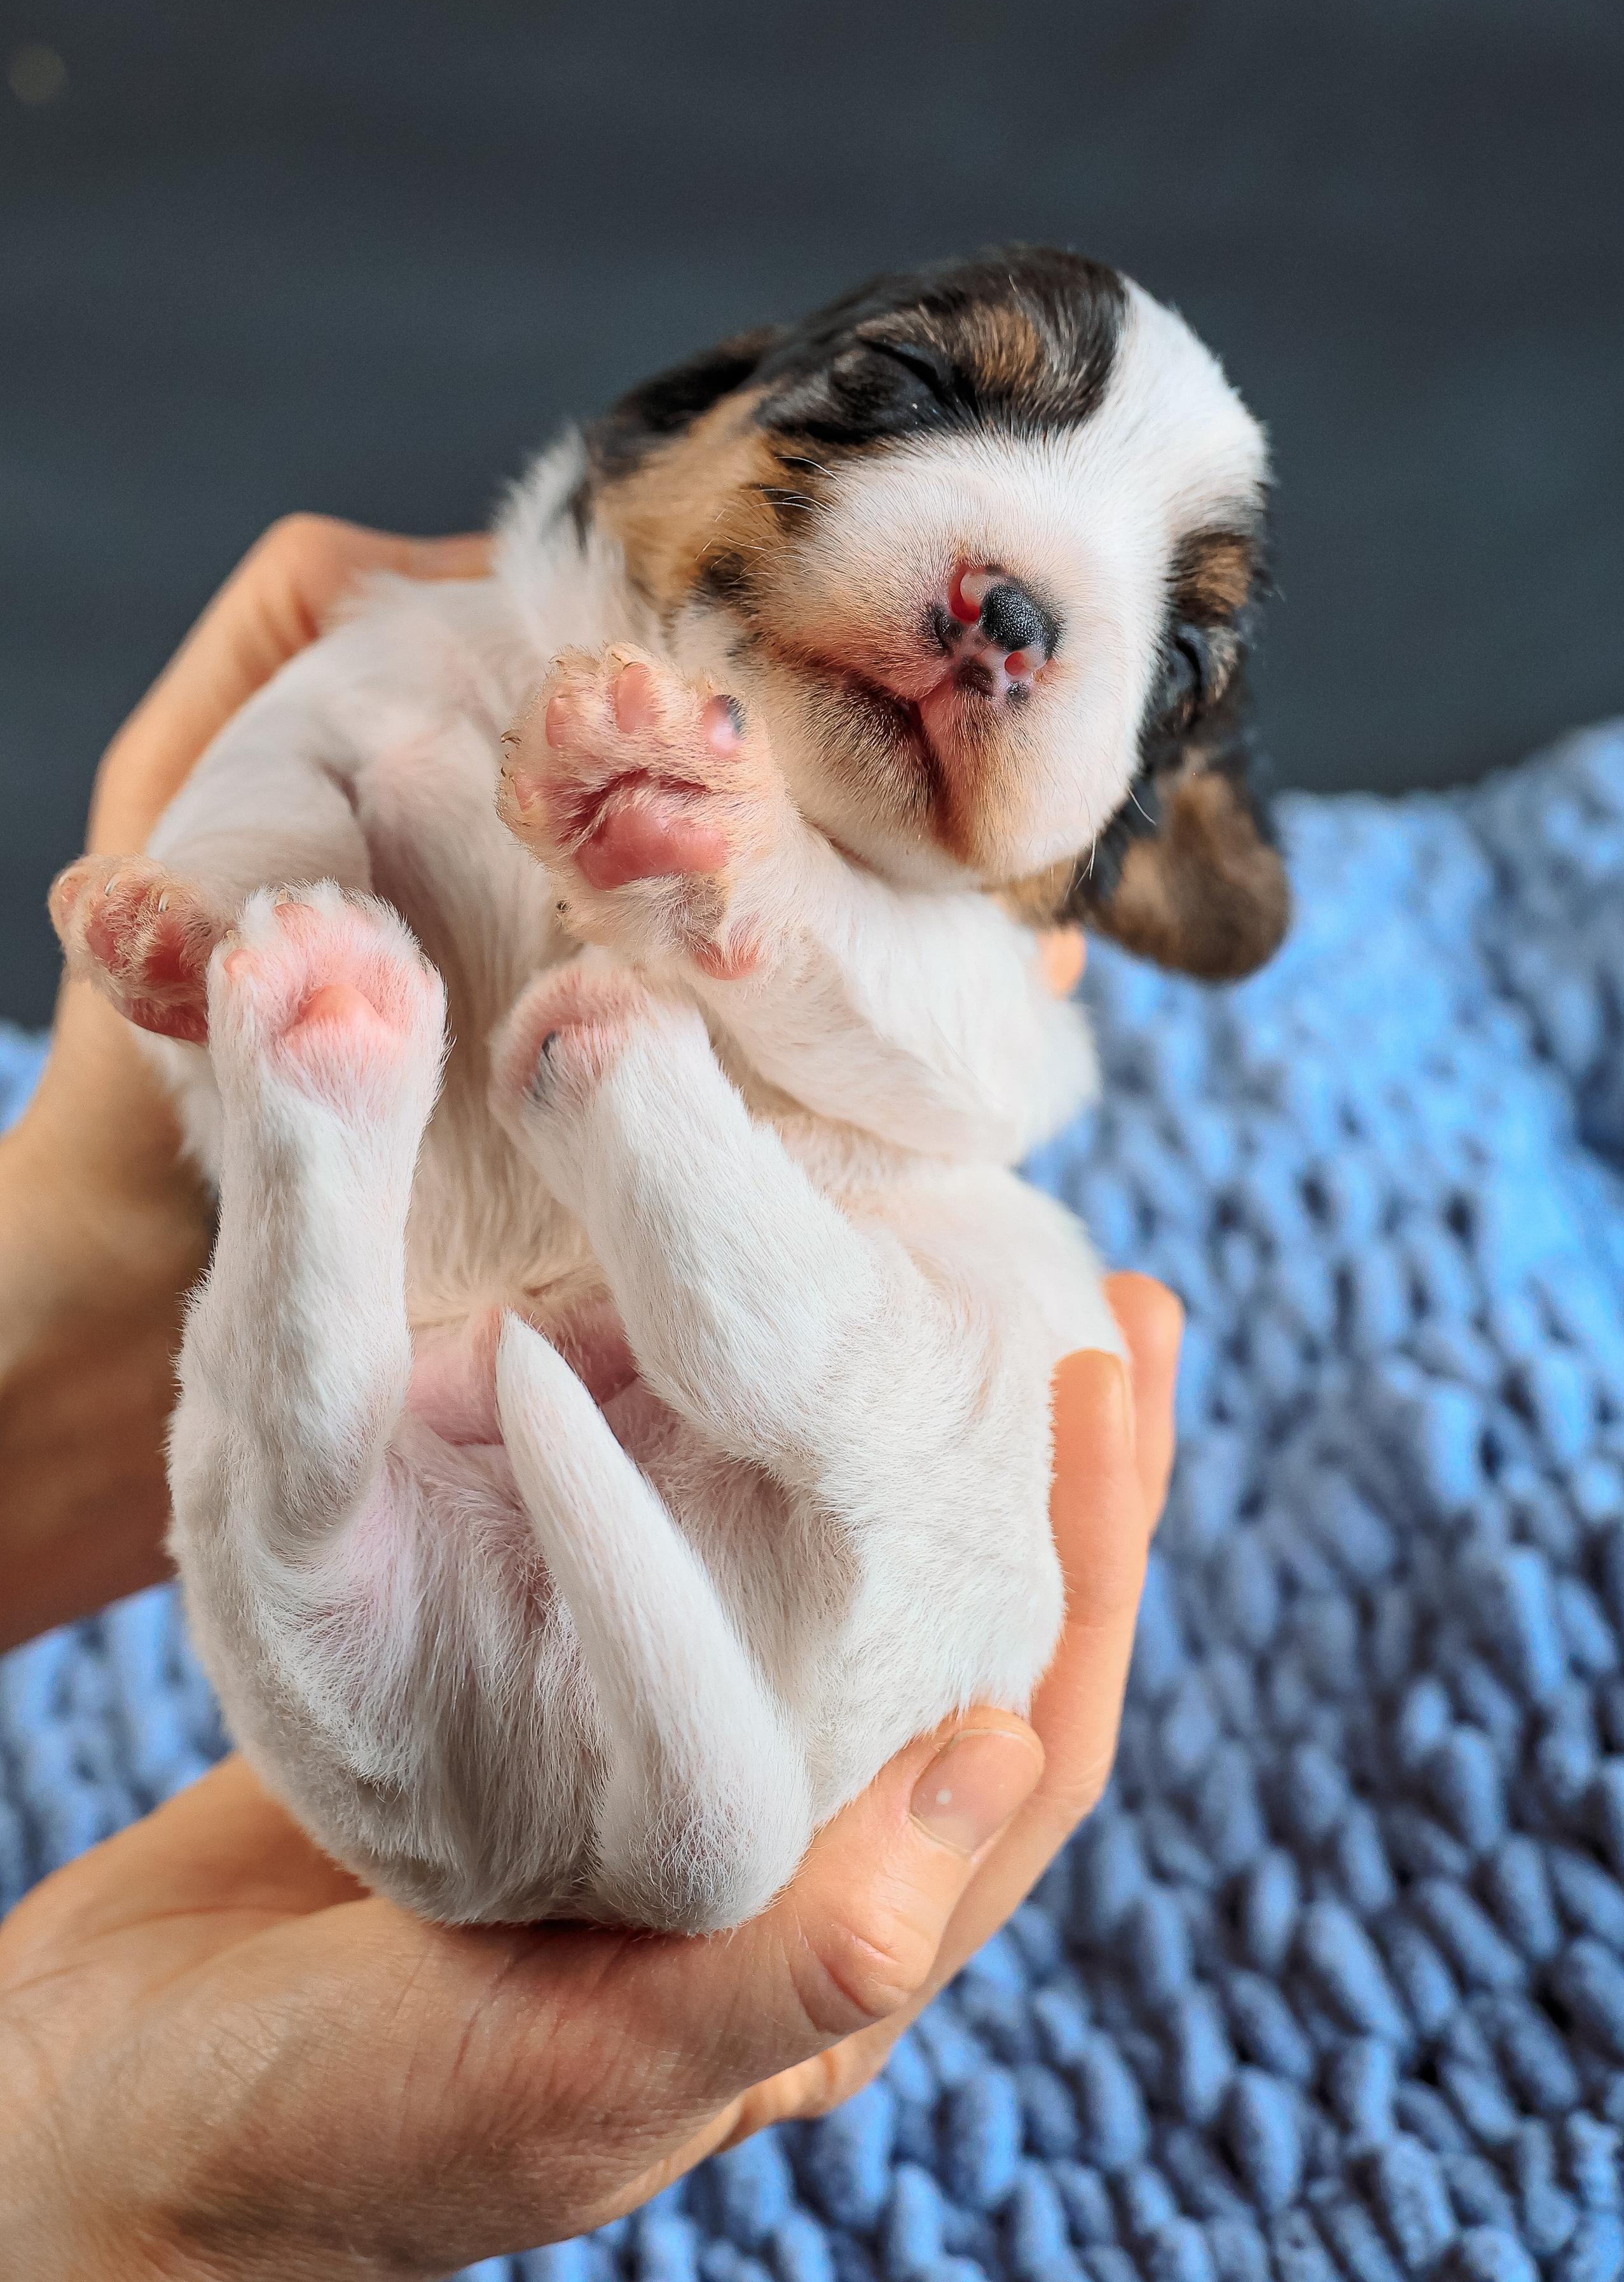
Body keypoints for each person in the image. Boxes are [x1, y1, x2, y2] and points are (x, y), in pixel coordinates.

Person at [0, 518, 1182, 2279]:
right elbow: (272, 798)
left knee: (316, 1537)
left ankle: (370, 1167)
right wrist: (71, 2173)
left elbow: (983, 1076)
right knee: (314, 1543)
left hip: (616, 1672)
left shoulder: (888, 822)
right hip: (622, 1659)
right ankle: (464, 1178)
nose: (993, 619)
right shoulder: (430, 651)